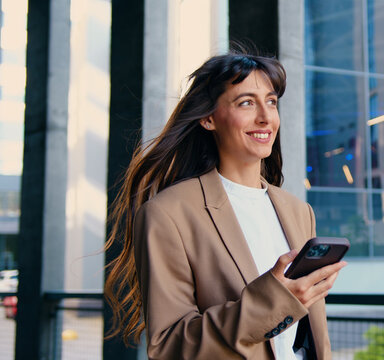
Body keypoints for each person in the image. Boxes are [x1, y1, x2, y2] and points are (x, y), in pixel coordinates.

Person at [103, 50, 346, 359]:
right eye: (246, 102)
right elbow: (168, 347)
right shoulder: (168, 214)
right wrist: (274, 300)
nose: (265, 116)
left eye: (271, 101)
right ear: (208, 118)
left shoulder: (298, 211)